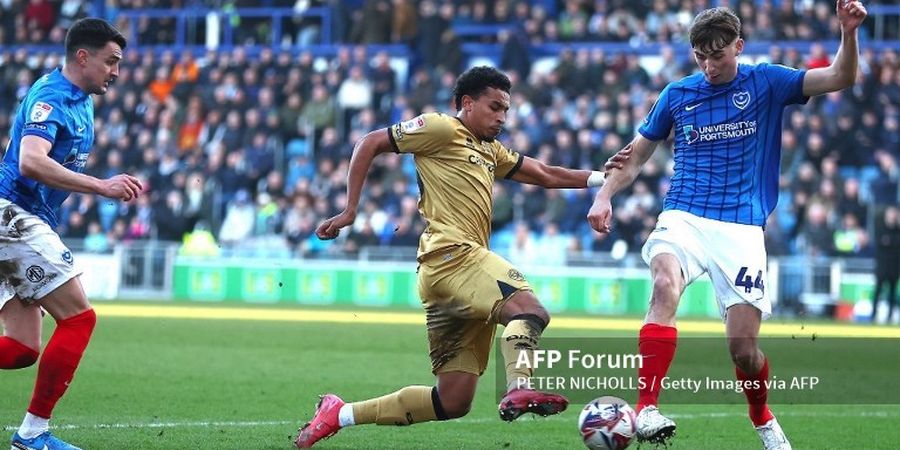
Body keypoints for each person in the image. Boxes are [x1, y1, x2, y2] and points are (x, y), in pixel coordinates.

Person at [587, 3, 867, 450]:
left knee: (743, 351)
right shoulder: (677, 94)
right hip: (684, 215)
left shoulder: (767, 81)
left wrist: (848, 33)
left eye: (718, 55)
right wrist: (604, 196)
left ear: (739, 46)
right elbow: (635, 156)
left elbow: (839, 77)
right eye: (701, 56)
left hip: (741, 230)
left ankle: (762, 417)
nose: (709, 65)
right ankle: (646, 408)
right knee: (663, 283)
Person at [295, 66, 621, 448]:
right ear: (467, 103)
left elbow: (545, 173)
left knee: (452, 400)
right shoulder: (441, 128)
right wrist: (350, 210)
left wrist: (605, 177)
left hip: (445, 276)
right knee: (530, 311)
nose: (502, 117)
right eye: (494, 107)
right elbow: (369, 142)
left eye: (506, 110)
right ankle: (519, 387)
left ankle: (339, 414)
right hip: (454, 255)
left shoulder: (489, 149)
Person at [0, 18, 143, 450]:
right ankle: (33, 435)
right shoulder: (51, 96)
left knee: (23, 348)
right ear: (83, 56)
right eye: (110, 61)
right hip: (13, 214)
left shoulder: (83, 101)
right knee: (80, 318)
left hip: (24, 218)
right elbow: (31, 161)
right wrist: (101, 186)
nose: (115, 71)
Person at [871, 206, 899, 324]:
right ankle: (873, 314)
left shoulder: (897, 229)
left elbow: (893, 243)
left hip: (894, 265)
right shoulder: (880, 227)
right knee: (878, 290)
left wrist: (889, 242)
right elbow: (881, 242)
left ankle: (890, 315)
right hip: (883, 264)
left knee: (892, 291)